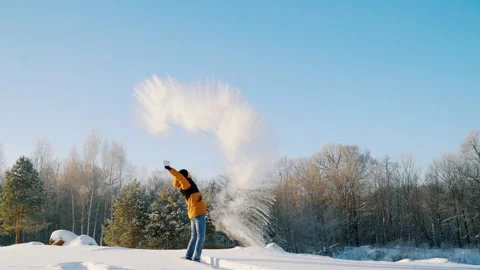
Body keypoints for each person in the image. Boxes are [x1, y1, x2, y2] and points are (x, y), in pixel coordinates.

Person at [164, 164, 207, 262]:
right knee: (201, 237)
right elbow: (179, 176)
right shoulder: (186, 185)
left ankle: (188, 256)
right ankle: (196, 258)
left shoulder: (185, 185)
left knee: (194, 236)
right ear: (184, 176)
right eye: (187, 174)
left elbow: (181, 177)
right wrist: (171, 169)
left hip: (193, 213)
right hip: (198, 213)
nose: (189, 174)